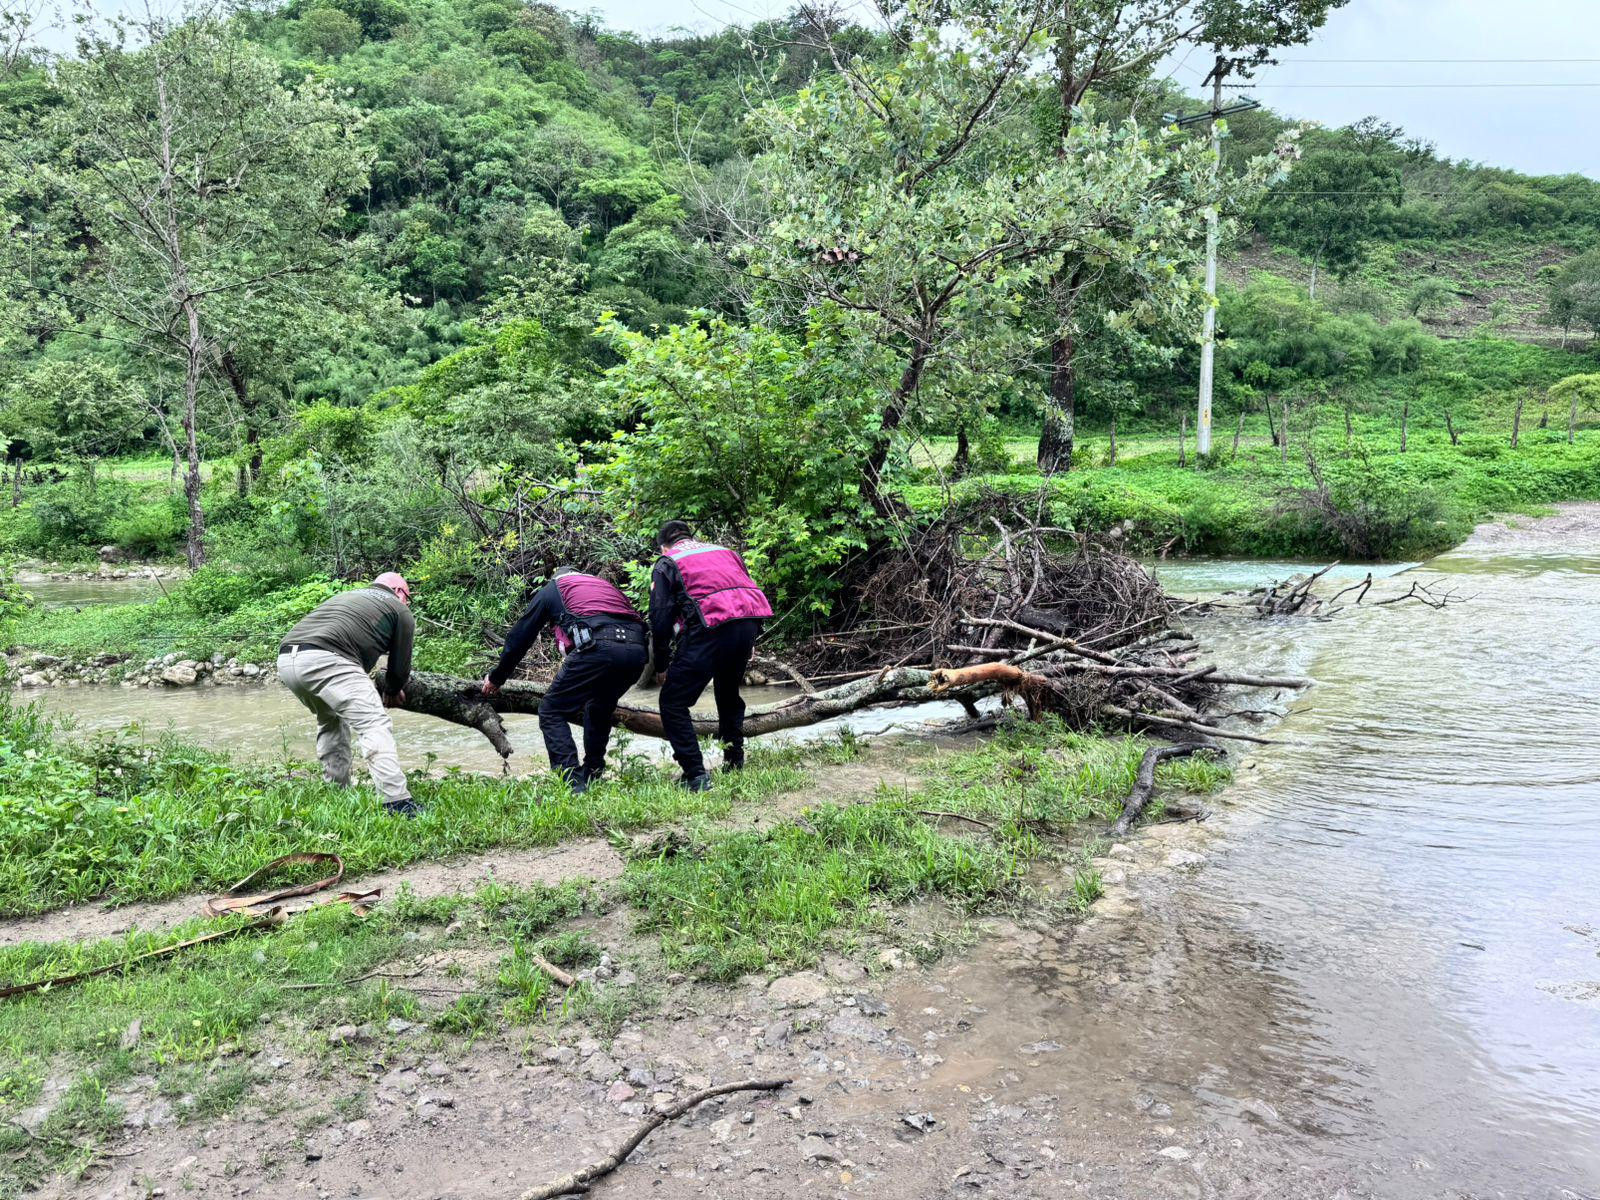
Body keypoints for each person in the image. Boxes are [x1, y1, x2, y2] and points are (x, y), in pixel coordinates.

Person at [480, 567, 648, 792]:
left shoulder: (554, 589)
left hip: (597, 646)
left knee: (551, 711)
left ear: (557, 577)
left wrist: (497, 677)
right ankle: (593, 772)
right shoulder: (606, 587)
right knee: (599, 707)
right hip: (637, 652)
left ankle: (572, 783)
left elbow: (520, 636)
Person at [278, 572, 419, 817]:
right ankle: (397, 802)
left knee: (330, 720)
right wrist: (393, 690)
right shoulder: (398, 608)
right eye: (408, 597)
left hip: (288, 661)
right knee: (373, 723)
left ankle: (336, 790)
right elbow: (400, 664)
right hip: (327, 658)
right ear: (399, 591)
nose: (407, 603)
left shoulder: (350, 595)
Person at [649, 520, 773, 791]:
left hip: (709, 627)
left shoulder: (667, 561)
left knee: (672, 702)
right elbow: (745, 589)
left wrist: (661, 664)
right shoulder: (726, 552)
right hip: (747, 623)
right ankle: (734, 761)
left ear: (663, 546)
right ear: (690, 537)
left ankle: (696, 776)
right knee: (727, 693)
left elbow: (660, 617)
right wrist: (750, 638)